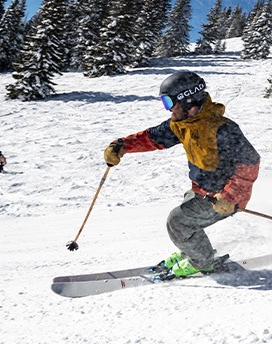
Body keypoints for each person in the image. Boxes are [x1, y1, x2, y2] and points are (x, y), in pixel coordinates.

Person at [103, 71, 260, 278]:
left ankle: (204, 262)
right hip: (201, 190)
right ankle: (193, 251)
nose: (168, 109)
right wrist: (122, 146)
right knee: (186, 220)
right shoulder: (183, 124)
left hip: (224, 198)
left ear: (188, 101)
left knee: (178, 222)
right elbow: (153, 138)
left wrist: (229, 196)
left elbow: (250, 163)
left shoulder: (222, 129)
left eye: (169, 102)